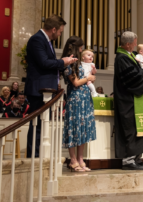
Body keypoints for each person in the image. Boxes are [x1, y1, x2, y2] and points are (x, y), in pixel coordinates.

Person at [25, 14, 77, 158]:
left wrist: (63, 66)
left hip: (46, 89)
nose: (60, 34)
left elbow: (48, 64)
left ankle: (39, 155)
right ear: (53, 29)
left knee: (42, 125)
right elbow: (43, 63)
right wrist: (63, 62)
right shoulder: (37, 39)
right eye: (60, 31)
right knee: (37, 125)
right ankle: (33, 157)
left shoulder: (47, 41)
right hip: (38, 89)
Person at [114, 31, 143, 170]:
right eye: (135, 43)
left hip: (136, 98)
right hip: (128, 100)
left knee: (139, 129)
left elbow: (138, 73)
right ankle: (128, 161)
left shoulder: (130, 56)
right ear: (128, 44)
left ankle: (137, 158)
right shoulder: (121, 58)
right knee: (131, 128)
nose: (136, 45)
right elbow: (132, 78)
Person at [61, 36, 97, 172]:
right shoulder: (69, 63)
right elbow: (75, 82)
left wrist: (90, 77)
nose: (82, 50)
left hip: (85, 98)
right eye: (81, 47)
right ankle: (73, 160)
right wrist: (88, 78)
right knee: (74, 128)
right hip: (75, 99)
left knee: (83, 129)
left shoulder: (80, 64)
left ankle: (81, 159)